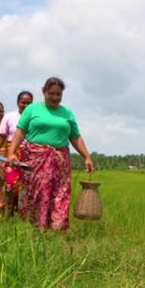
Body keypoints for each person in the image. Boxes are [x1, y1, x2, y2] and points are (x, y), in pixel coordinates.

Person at [7, 77, 94, 231]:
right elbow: (20, 132)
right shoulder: (32, 109)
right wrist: (11, 151)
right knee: (38, 192)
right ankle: (36, 229)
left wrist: (86, 156)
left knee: (61, 192)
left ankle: (57, 228)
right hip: (35, 159)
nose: (54, 97)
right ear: (43, 92)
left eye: (58, 94)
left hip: (60, 159)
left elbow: (75, 137)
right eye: (51, 93)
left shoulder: (67, 113)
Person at [0, 91, 33, 215]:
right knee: (11, 185)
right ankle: (8, 213)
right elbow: (1, 136)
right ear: (18, 103)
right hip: (12, 154)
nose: (25, 105)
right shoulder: (9, 116)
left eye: (28, 103)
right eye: (23, 102)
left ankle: (25, 215)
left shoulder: (35, 118)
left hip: (30, 154)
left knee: (27, 186)